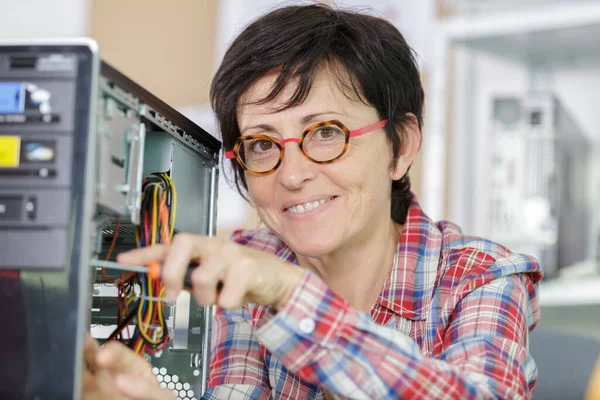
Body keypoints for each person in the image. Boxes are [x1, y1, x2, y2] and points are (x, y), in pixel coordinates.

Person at [83, 4, 543, 399]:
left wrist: (288, 293)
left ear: (400, 146)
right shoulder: (243, 269)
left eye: (326, 133)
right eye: (262, 144)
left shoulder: (481, 276)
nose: (293, 174)